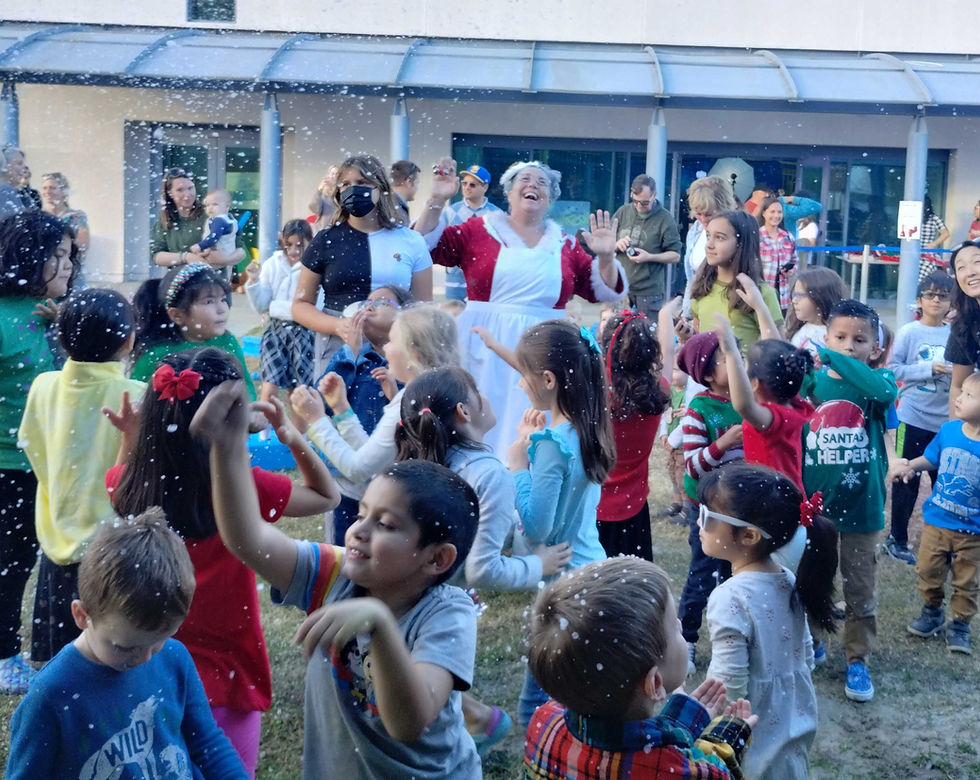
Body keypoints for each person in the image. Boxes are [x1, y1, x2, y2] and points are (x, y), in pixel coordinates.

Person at [190, 380, 483, 779]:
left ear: (436, 558)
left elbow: (408, 723)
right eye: (362, 514)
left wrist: (378, 624)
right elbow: (248, 539)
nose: (358, 531)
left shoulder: (447, 615)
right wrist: (227, 451)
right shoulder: (334, 575)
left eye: (385, 524)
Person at [107, 348, 339, 775]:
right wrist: (289, 435)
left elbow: (118, 486)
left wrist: (128, 439)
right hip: (229, 674)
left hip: (151, 667)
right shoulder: (246, 490)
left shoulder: (130, 486)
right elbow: (327, 496)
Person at [395, 366, 571, 754]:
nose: (485, 397)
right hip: (438, 608)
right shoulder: (489, 474)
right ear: (464, 411)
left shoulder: (428, 461)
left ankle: (481, 720)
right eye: (477, 391)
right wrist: (537, 565)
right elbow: (483, 568)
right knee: (425, 705)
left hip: (405, 595)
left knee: (411, 684)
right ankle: (470, 735)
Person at [5, 509, 247, 779]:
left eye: (157, 641)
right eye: (124, 647)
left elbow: (207, 744)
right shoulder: (50, 695)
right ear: (82, 615)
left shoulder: (175, 658)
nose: (144, 658)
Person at [418, 160, 628, 457]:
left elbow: (601, 290)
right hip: (483, 348)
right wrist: (437, 200)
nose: (533, 185)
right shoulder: (478, 230)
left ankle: (529, 479)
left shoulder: (565, 245)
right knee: (477, 424)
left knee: (535, 430)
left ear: (551, 197)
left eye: (541, 182)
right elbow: (424, 246)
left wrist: (606, 258)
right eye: (525, 179)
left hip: (545, 351)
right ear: (508, 191)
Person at [524, 556, 757, 780]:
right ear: (654, 683)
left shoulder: (544, 722)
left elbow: (633, 743)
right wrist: (725, 739)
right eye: (673, 628)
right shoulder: (674, 772)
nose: (679, 624)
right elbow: (716, 773)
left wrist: (684, 719)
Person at [18, 289, 145, 664]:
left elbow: (31, 445)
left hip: (57, 537)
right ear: (128, 340)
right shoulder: (136, 395)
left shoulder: (43, 385)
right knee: (111, 657)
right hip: (114, 547)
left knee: (64, 660)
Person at [504, 319, 615, 722]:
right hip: (592, 566)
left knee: (545, 677)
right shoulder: (587, 428)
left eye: (524, 374)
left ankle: (535, 730)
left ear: (548, 379)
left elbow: (539, 527)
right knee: (577, 672)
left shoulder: (552, 444)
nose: (520, 384)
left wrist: (519, 465)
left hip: (563, 581)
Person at [700, 463, 837, 779]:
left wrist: (710, 732)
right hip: (794, 729)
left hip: (749, 744)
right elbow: (805, 656)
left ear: (748, 535)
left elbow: (727, 686)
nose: (698, 522)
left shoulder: (729, 597)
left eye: (707, 516)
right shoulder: (789, 578)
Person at [291, 305, 459, 542]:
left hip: (410, 517)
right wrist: (341, 410)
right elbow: (374, 461)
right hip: (428, 513)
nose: (386, 348)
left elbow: (357, 470)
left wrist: (316, 420)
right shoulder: (435, 389)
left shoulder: (410, 401)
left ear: (414, 355)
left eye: (392, 341)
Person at [800, 299, 898, 702]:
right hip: (816, 509)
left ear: (875, 349)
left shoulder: (878, 383)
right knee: (813, 580)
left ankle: (858, 659)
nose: (848, 346)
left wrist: (830, 357)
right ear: (826, 337)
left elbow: (884, 390)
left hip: (863, 508)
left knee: (859, 589)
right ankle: (814, 640)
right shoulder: (812, 383)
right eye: (839, 338)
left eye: (859, 340)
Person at [0, 211, 77, 694]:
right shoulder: (4, 318)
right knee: (9, 563)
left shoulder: (53, 312)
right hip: (7, 464)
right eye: (58, 256)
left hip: (48, 461)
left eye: (70, 256)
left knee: (35, 557)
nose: (68, 266)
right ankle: (4, 653)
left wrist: (65, 325)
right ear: (30, 259)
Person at [292, 154, 433, 377]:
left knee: (393, 400)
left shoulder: (411, 241)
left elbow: (423, 308)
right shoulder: (325, 240)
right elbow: (300, 305)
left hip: (395, 347)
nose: (353, 190)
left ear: (381, 187)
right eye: (345, 184)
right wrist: (337, 326)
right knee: (335, 400)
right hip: (337, 347)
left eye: (362, 182)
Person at [313, 285, 414, 545]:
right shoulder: (352, 356)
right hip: (347, 476)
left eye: (381, 303)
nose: (369, 307)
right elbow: (323, 400)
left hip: (390, 473)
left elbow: (413, 416)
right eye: (366, 303)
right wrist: (351, 350)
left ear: (406, 316)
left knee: (384, 545)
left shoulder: (409, 365)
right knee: (346, 546)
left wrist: (394, 393)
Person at [889, 372, 980, 655]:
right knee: (928, 570)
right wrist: (909, 467)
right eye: (961, 392)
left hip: (974, 532)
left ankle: (960, 625)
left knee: (967, 581)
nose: (959, 399)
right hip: (938, 522)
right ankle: (932, 611)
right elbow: (931, 458)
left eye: (969, 395)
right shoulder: (949, 430)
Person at [675, 331, 743, 675]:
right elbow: (693, 466)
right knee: (703, 573)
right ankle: (685, 639)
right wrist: (724, 443)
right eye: (727, 358)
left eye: (739, 354)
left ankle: (731, 640)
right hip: (708, 507)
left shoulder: (747, 400)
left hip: (741, 505)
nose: (738, 362)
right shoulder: (698, 410)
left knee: (736, 574)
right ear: (707, 373)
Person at [886, 271, 954, 565]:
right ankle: (897, 539)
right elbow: (893, 370)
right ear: (919, 300)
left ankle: (946, 541)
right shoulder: (909, 332)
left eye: (943, 296)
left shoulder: (956, 333)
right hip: (912, 418)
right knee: (906, 478)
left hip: (946, 422)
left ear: (952, 302)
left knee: (946, 483)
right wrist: (928, 369)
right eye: (930, 295)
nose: (936, 300)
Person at [596, 310, 670, 559]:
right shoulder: (658, 391)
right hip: (634, 507)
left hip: (596, 506)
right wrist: (666, 315)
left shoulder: (597, 397)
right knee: (634, 576)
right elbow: (668, 355)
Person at [714, 314, 813, 492]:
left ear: (755, 384)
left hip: (774, 500)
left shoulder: (773, 418)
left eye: (745, 364)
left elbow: (743, 405)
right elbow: (778, 355)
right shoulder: (792, 401)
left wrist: (731, 353)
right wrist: (760, 307)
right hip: (786, 495)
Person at [130, 261, 256, 396]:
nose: (222, 309)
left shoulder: (227, 341)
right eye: (209, 301)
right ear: (177, 315)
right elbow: (136, 399)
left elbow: (246, 388)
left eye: (223, 300)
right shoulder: (156, 355)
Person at [244, 218, 320, 402]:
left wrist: (279, 307)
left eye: (299, 246)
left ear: (309, 242)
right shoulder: (273, 264)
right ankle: (265, 421)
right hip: (275, 331)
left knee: (299, 392)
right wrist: (254, 281)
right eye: (289, 245)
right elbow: (262, 305)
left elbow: (316, 306)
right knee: (269, 387)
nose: (293, 251)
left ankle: (298, 423)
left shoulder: (315, 266)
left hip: (304, 332)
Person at [689, 209, 784, 352]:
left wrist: (759, 306)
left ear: (741, 243)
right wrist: (686, 338)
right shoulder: (703, 286)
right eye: (708, 236)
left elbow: (779, 350)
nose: (709, 244)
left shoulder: (761, 293)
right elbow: (699, 333)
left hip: (744, 366)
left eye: (720, 238)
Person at [417, 163, 503, 302]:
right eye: (464, 183)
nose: (467, 187)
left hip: (485, 283)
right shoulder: (450, 211)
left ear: (485, 187)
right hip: (454, 281)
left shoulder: (496, 214)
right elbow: (431, 240)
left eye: (472, 185)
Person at [612, 174, 682, 320]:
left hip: (649, 291)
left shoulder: (665, 219)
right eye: (635, 201)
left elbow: (675, 256)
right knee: (617, 330)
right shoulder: (623, 212)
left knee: (648, 331)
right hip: (621, 287)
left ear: (654, 195)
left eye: (644, 203)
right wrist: (616, 245)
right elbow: (605, 243)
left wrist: (649, 257)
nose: (639, 206)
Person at [150, 167, 245, 270]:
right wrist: (186, 257)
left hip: (213, 278)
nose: (187, 195)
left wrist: (224, 260)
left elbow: (241, 251)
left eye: (190, 188)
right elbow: (156, 256)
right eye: (180, 190)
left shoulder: (212, 214)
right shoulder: (164, 221)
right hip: (179, 279)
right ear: (170, 193)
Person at [681, 176, 738, 317]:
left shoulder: (736, 232)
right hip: (697, 309)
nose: (703, 219)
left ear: (724, 207)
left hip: (725, 310)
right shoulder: (695, 230)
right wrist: (686, 312)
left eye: (708, 214)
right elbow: (692, 280)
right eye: (698, 213)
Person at [947, 239, 980, 415]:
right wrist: (955, 429)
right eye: (961, 267)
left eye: (977, 262)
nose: (970, 273)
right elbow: (959, 386)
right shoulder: (965, 324)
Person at [785, 266, 847, 359]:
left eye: (800, 295)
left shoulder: (834, 337)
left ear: (820, 298)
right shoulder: (801, 328)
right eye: (794, 294)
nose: (794, 300)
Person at [39, 172, 90, 286]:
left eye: (52, 188)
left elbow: (83, 245)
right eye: (45, 188)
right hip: (45, 274)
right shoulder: (39, 217)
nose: (48, 191)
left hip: (70, 272)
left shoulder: (76, 216)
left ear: (63, 191)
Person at [756, 195, 798, 311]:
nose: (776, 215)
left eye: (779, 212)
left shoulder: (787, 236)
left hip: (782, 295)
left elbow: (795, 260)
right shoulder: (756, 236)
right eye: (772, 212)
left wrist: (791, 270)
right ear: (764, 213)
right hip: (761, 293)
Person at [190, 189, 238, 258]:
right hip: (228, 253)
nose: (210, 208)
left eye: (215, 204)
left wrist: (199, 246)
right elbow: (238, 232)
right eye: (207, 205)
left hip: (219, 255)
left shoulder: (219, 220)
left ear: (227, 206)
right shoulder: (231, 219)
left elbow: (213, 237)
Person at [919, 195, 951, 280]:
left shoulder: (933, 218)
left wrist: (934, 244)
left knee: (922, 277)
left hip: (927, 254)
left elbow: (946, 233)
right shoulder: (913, 218)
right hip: (914, 253)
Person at [309, 164, 340, 233]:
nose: (334, 176)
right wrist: (319, 190)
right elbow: (314, 208)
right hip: (324, 231)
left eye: (337, 174)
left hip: (338, 230)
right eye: (332, 174)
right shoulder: (323, 194)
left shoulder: (342, 192)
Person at [390, 159, 421, 224]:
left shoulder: (385, 202)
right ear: (409, 182)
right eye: (417, 182)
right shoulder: (395, 209)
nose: (418, 187)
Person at [0, 145, 27, 218]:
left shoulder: (22, 194)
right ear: (5, 165)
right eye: (19, 163)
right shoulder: (5, 191)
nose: (24, 168)